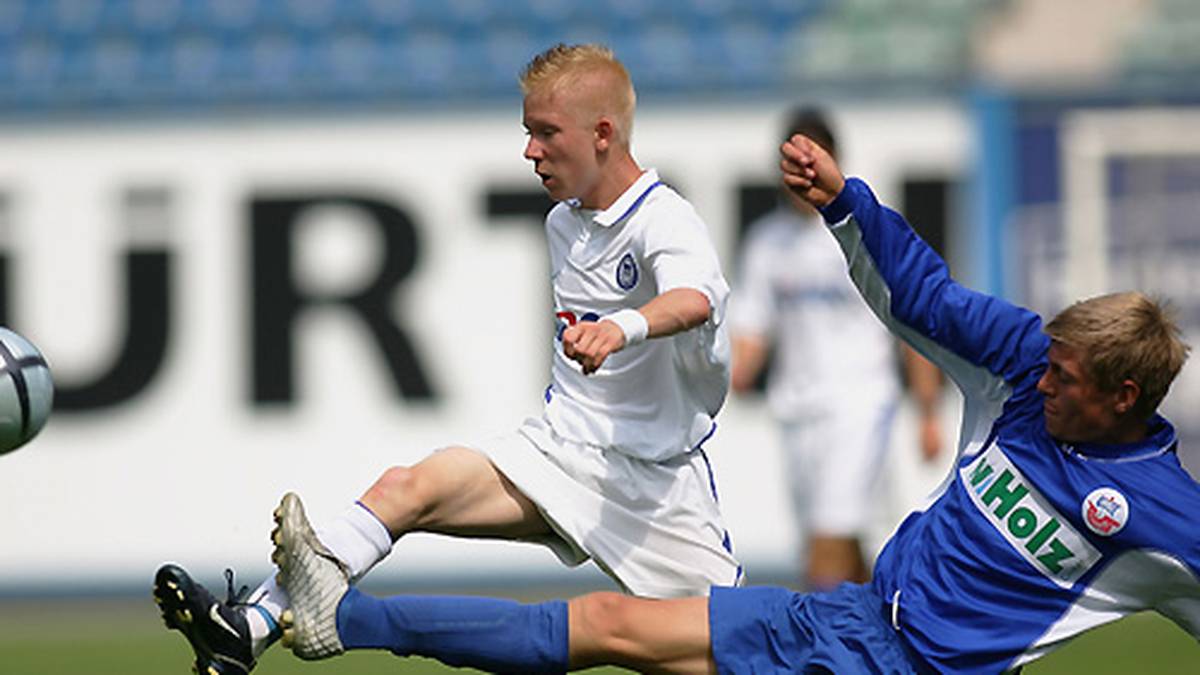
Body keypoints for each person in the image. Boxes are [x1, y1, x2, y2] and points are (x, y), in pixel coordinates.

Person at [264, 133, 1198, 674]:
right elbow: (925, 297)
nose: (1043, 380)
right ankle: (333, 618)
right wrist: (848, 205)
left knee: (612, 632)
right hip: (855, 620)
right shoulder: (1030, 368)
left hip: (898, 668)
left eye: (1066, 379)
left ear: (1123, 396)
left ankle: (335, 620)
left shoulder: (1164, 518)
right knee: (604, 625)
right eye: (1048, 362)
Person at [153, 43, 742, 675]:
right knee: (409, 488)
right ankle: (251, 626)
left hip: (659, 489)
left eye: (546, 133)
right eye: (527, 133)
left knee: (723, 659)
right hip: (565, 451)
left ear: (603, 133)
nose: (530, 151)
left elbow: (695, 300)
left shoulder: (664, 218)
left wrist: (621, 328)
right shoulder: (563, 224)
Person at [729, 107, 944, 588]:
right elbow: (752, 328)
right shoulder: (767, 243)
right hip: (797, 409)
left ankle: (809, 658)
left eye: (812, 161)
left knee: (827, 541)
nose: (801, 176)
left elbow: (912, 325)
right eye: (791, 163)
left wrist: (928, 412)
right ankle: (892, 646)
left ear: (833, 161)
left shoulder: (867, 232)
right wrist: (734, 375)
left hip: (861, 403)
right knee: (841, 546)